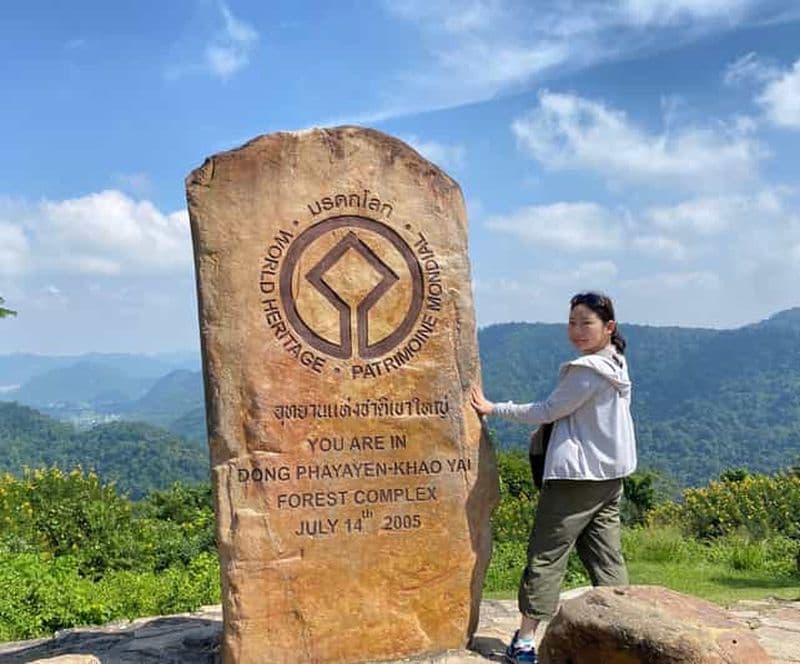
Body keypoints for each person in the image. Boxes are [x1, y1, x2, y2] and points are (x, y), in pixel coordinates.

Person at [470, 292, 636, 664]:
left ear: (608, 327)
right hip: (611, 477)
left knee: (546, 556)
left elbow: (548, 410)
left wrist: (494, 408)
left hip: (576, 478)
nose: (577, 330)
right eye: (573, 322)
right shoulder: (617, 363)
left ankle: (526, 642)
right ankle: (626, 637)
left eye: (587, 323)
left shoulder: (589, 370)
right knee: (606, 559)